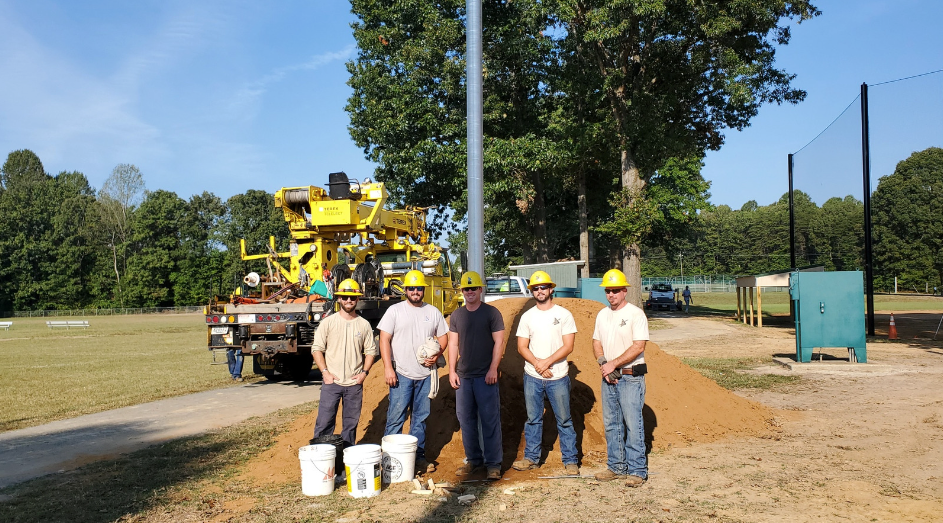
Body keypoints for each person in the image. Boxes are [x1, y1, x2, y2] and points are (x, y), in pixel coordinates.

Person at [378, 270, 449, 474]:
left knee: (421, 418)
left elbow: (443, 337)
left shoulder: (433, 312)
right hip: (401, 373)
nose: (415, 291)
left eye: (419, 288)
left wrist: (438, 354)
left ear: (423, 290)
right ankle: (389, 460)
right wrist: (388, 368)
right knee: (396, 417)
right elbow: (384, 339)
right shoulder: (395, 311)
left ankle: (418, 458)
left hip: (426, 376)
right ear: (406, 290)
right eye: (411, 288)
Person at [511, 271, 579, 475]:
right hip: (532, 376)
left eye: (543, 287)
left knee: (564, 419)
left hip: (557, 376)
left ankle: (570, 460)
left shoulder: (564, 315)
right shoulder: (527, 316)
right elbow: (522, 347)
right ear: (532, 291)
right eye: (535, 288)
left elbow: (568, 346)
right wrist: (538, 365)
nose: (539, 291)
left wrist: (547, 363)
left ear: (551, 289)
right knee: (533, 419)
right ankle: (531, 458)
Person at [593, 268, 650, 486]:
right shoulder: (602, 314)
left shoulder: (635, 314)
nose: (611, 295)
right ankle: (616, 466)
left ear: (624, 291)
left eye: (615, 290)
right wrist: (603, 363)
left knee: (632, 424)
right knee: (611, 424)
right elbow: (596, 341)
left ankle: (637, 470)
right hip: (609, 377)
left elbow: (638, 346)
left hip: (630, 377)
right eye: (608, 291)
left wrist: (613, 364)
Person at [448, 271, 506, 480]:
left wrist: (493, 368)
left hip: (485, 376)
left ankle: (493, 464)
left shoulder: (492, 313)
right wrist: (452, 370)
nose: (470, 292)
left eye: (474, 288)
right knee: (466, 420)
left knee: (489, 419)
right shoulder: (457, 315)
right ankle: (474, 460)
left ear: (480, 289)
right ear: (462, 291)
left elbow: (499, 342)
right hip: (464, 377)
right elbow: (453, 343)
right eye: (466, 288)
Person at [311, 278, 378, 446]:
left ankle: (344, 464)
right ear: (339, 299)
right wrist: (325, 373)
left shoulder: (363, 325)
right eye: (345, 297)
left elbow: (370, 351)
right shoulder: (328, 322)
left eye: (352, 297)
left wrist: (364, 373)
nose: (349, 300)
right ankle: (322, 463)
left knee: (350, 426)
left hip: (354, 384)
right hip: (331, 382)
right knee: (324, 424)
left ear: (358, 299)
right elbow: (317, 348)